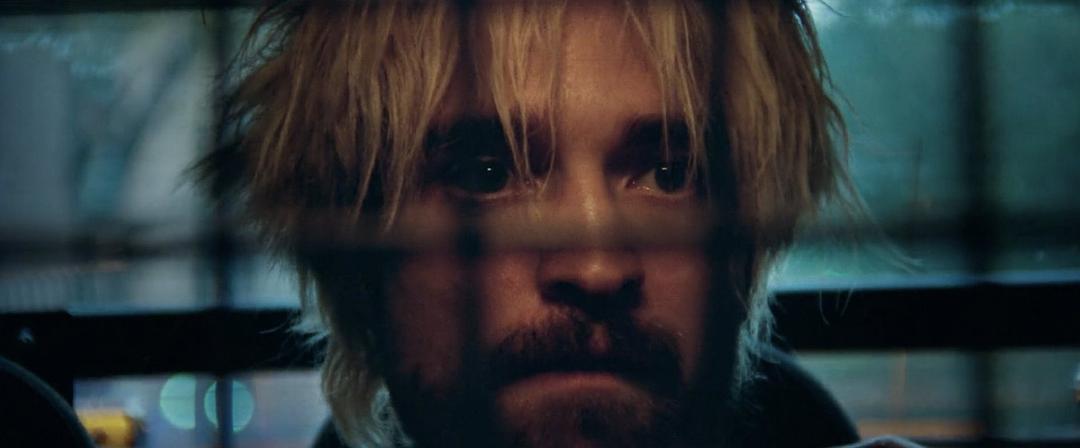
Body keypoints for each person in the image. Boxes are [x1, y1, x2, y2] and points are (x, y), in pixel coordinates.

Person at [199, 0, 920, 446]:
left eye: (671, 173)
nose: (598, 266)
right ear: (352, 263)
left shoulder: (799, 426)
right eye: (486, 174)